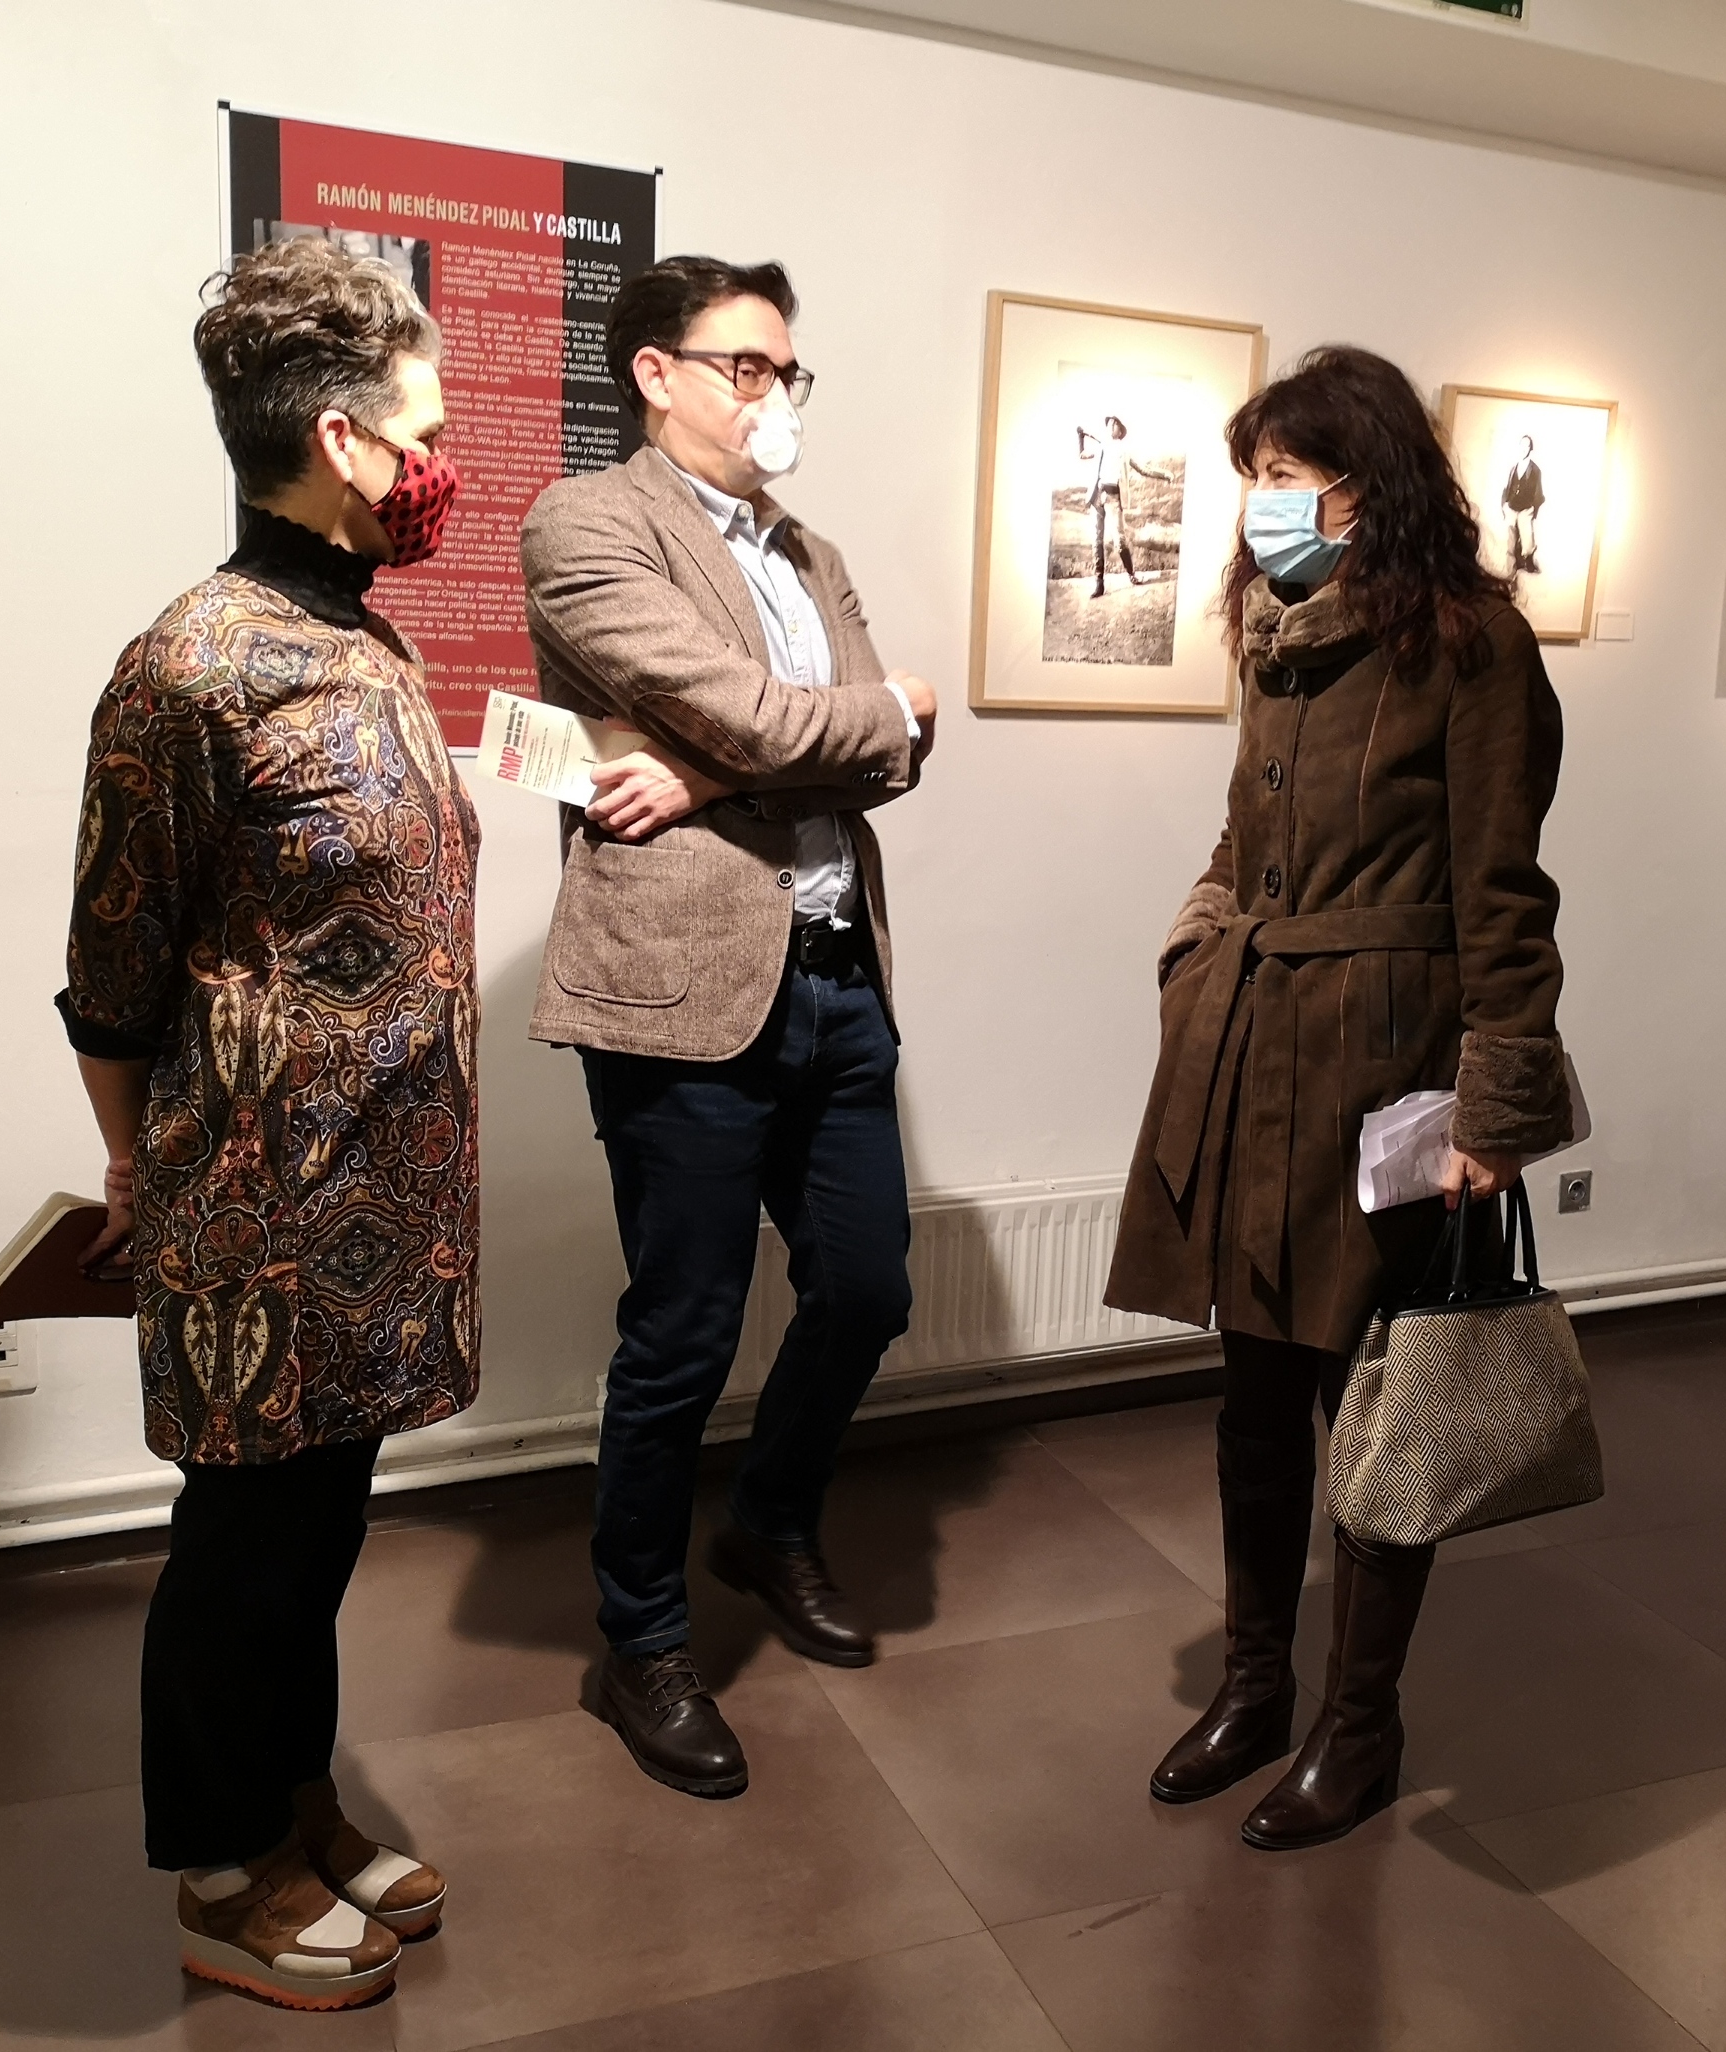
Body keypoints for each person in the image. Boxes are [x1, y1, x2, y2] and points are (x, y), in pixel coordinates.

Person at [60, 237, 476, 2008]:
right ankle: (224, 1870)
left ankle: (295, 1801)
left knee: (321, 1535)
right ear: (342, 439)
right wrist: (132, 1169)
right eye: (425, 433)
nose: (442, 463)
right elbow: (110, 972)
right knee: (241, 1552)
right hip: (251, 1208)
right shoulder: (191, 665)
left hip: (379, 1200)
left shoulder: (362, 637)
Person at [1105, 345, 1575, 1851]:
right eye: (1252, 476)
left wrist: (1494, 1110)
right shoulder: (1277, 634)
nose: (1258, 503)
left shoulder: (1475, 648)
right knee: (1251, 1399)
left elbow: (1504, 893)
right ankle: (1255, 1686)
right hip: (1250, 1054)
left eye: (1282, 476)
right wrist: (1197, 943)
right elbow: (1243, 837)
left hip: (1388, 1069)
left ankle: (1359, 1728)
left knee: (1374, 1407)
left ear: (1365, 487)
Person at [521, 257, 936, 1800]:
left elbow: (890, 768)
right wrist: (888, 705)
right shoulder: (585, 524)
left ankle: (767, 1521)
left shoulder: (810, 551)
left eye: (786, 371)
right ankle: (641, 1640)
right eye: (746, 367)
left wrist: (704, 773)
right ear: (656, 373)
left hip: (836, 973)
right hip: (678, 987)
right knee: (684, 1332)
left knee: (868, 1289)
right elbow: (810, 724)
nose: (774, 395)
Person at [1079, 415, 1141, 596]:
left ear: (1120, 431)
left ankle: (1131, 575)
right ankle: (1099, 583)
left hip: (1114, 498)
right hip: (1098, 495)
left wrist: (1165, 475)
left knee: (1119, 540)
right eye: (1110, 424)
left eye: (1114, 424)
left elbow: (1143, 469)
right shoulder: (1101, 447)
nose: (1111, 426)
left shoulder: (1124, 451)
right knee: (1097, 539)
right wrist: (1080, 437)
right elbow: (1082, 455)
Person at [1500, 432, 1544, 580]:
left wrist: (1533, 508)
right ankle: (1510, 570)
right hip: (1511, 507)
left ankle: (1527, 559)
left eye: (1527, 446)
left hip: (1526, 509)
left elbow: (1538, 492)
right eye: (1522, 445)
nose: (1524, 448)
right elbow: (1507, 487)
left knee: (1527, 539)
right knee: (1510, 539)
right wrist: (1504, 504)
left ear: (1530, 448)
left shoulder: (1535, 470)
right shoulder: (1514, 468)